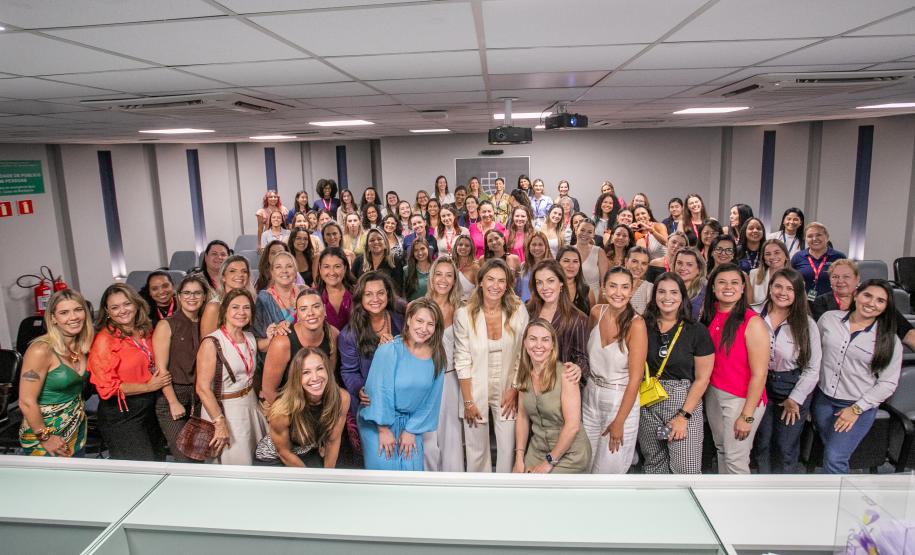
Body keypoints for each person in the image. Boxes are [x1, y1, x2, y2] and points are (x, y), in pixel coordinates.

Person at [813, 279, 902, 474]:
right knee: (832, 451)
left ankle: (837, 503)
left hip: (857, 405)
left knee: (835, 458)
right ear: (856, 295)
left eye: (880, 300)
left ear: (886, 307)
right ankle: (844, 489)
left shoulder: (889, 339)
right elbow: (814, 356)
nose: (871, 303)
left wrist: (855, 409)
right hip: (823, 401)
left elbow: (887, 383)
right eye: (867, 295)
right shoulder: (829, 319)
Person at [454, 259, 529, 472]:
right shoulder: (464, 313)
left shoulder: (518, 309)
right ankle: (478, 497)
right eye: (490, 280)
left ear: (507, 285)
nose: (495, 286)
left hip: (508, 385)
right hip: (474, 386)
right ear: (480, 282)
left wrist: (515, 389)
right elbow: (462, 359)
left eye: (501, 281)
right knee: (476, 450)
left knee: (507, 448)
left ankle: (504, 495)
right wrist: (468, 401)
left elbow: (524, 354)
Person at [638, 273, 714, 474]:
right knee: (654, 465)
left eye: (673, 292)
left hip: (683, 403)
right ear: (654, 296)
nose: (667, 297)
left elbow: (702, 379)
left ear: (682, 297)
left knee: (685, 469)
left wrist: (683, 416)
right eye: (661, 292)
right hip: (649, 402)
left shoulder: (697, 331)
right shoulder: (643, 326)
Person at [359, 298, 446, 471]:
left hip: (412, 424)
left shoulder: (438, 359)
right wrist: (383, 430)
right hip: (379, 422)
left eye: (430, 324)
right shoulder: (389, 350)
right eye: (419, 321)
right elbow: (378, 392)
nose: (423, 328)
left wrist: (411, 431)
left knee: (411, 471)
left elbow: (431, 401)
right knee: (385, 470)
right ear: (408, 320)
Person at [700, 263, 769, 475]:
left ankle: (741, 507)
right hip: (714, 393)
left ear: (742, 288)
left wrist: (747, 416)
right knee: (722, 451)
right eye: (722, 282)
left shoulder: (753, 322)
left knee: (736, 459)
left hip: (741, 399)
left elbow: (760, 374)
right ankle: (724, 503)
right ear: (713, 287)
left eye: (734, 283)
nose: (727, 287)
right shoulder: (709, 315)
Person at [753, 268, 822, 474]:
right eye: (778, 286)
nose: (783, 292)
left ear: (798, 293)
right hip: (759, 384)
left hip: (792, 386)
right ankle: (762, 490)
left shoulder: (807, 324)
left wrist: (796, 398)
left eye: (790, 289)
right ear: (770, 287)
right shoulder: (753, 314)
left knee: (785, 447)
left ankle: (783, 495)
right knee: (762, 443)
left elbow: (813, 367)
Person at [90, 283, 168, 461]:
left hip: (148, 408)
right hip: (122, 414)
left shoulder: (145, 330)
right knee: (141, 469)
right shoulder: (104, 340)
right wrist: (148, 386)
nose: (122, 311)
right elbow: (107, 388)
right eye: (115, 307)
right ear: (107, 311)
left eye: (126, 304)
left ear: (136, 304)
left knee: (158, 460)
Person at [584, 267, 647, 473]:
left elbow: (636, 380)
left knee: (609, 470)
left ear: (632, 291)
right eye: (612, 286)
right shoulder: (596, 312)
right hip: (590, 396)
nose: (618, 293)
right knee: (585, 462)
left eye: (624, 287)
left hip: (619, 400)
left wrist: (619, 421)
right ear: (603, 288)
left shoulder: (636, 325)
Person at [196, 289, 269, 465]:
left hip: (250, 405)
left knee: (257, 460)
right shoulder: (212, 342)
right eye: (235, 307)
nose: (241, 312)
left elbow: (267, 346)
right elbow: (202, 388)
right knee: (236, 463)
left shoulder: (250, 337)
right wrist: (219, 423)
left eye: (246, 308)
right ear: (225, 311)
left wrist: (277, 331)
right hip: (225, 409)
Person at [18, 289, 94, 457]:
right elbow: (26, 401)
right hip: (44, 433)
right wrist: (45, 437)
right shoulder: (40, 350)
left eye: (78, 310)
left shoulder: (83, 346)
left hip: (76, 428)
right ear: (53, 318)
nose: (73, 317)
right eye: (64, 312)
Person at [513, 319, 591, 473]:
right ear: (525, 343)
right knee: (520, 484)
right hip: (538, 449)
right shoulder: (524, 375)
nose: (538, 345)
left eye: (545, 340)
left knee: (542, 489)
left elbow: (572, 426)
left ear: (553, 345)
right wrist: (519, 458)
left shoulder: (566, 375)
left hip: (569, 453)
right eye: (533, 339)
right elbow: (522, 416)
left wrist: (549, 462)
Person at [256, 348, 349, 467]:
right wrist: (311, 482)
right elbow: (284, 453)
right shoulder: (281, 410)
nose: (315, 378)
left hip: (306, 451)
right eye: (306, 372)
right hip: (274, 458)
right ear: (296, 377)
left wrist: (327, 478)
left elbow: (333, 440)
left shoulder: (342, 398)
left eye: (320, 369)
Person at [151, 274, 209, 463]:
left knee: (199, 456)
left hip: (198, 396)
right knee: (184, 458)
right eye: (187, 293)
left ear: (204, 296)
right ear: (179, 296)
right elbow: (161, 369)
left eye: (197, 293)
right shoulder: (167, 325)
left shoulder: (205, 324)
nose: (192, 297)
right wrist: (173, 401)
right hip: (173, 396)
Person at [338, 272, 404, 419]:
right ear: (360, 297)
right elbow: (349, 371)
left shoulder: (401, 320)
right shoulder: (349, 334)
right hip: (372, 404)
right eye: (368, 294)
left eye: (380, 293)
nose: (375, 299)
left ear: (388, 294)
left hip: (402, 399)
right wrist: (360, 389)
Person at [810, 259, 915, 352]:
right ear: (830, 280)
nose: (840, 281)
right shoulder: (818, 303)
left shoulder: (873, 302)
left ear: (857, 279)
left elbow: (907, 333)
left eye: (846, 276)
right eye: (835, 277)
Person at [422, 256, 466, 471]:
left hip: (451, 377)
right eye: (439, 274)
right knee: (427, 438)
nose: (443, 279)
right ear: (431, 278)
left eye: (449, 275)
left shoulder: (462, 309)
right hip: (424, 379)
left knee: (451, 436)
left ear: (455, 280)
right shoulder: (419, 307)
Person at [260, 288, 340, 405]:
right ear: (297, 313)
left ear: (324, 309)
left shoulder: (333, 335)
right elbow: (269, 391)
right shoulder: (282, 342)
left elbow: (329, 381)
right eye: (304, 309)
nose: (310, 313)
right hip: (286, 404)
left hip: (318, 402)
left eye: (316, 306)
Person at [526, 259, 590, 381]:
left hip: (560, 389)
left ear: (561, 282)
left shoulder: (577, 318)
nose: (544, 287)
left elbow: (583, 360)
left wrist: (578, 368)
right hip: (529, 383)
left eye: (550, 281)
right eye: (539, 282)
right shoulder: (529, 311)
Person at [253, 251, 299, 346]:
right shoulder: (263, 299)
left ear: (295, 271)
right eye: (278, 267)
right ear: (272, 273)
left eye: (289, 266)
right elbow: (257, 342)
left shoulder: (304, 292)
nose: (284, 271)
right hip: (276, 354)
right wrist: (274, 334)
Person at [791, 222, 846, 301]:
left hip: (831, 303)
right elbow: (791, 280)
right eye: (810, 236)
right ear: (805, 239)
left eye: (818, 235)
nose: (814, 239)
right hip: (803, 302)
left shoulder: (839, 257)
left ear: (827, 237)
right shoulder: (798, 257)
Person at [200, 255, 251, 337]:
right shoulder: (214, 306)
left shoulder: (251, 302)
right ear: (223, 277)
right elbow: (206, 343)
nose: (240, 274)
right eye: (232, 271)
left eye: (244, 271)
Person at [352, 227, 404, 295]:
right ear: (368, 246)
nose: (376, 242)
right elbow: (352, 283)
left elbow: (398, 287)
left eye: (379, 239)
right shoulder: (358, 260)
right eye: (372, 240)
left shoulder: (395, 260)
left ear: (385, 243)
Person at [316, 247, 356, 331]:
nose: (332, 272)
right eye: (326, 267)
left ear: (345, 268)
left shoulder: (357, 293)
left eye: (337, 266)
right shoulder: (312, 296)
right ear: (320, 269)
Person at [574, 218, 610, 304]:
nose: (585, 234)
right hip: (572, 297)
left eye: (589, 232)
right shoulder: (568, 251)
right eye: (582, 230)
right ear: (576, 230)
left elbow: (604, 282)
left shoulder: (599, 252)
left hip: (595, 298)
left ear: (594, 234)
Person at [747, 239, 789, 311]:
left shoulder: (796, 277)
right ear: (763, 258)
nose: (772, 257)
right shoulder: (754, 274)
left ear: (786, 255)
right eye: (768, 254)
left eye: (777, 252)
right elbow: (749, 305)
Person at [557, 245, 595, 315]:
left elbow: (591, 322)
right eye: (566, 261)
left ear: (579, 265)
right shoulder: (550, 288)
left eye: (575, 261)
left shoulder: (587, 291)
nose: (571, 265)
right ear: (558, 263)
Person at [515, 232, 552, 303]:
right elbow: (518, 291)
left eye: (540, 244)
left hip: (545, 308)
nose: (537, 248)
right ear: (529, 247)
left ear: (546, 246)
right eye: (534, 244)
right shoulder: (523, 266)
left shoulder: (552, 267)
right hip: (526, 308)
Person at [675, 247, 707, 320]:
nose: (683, 268)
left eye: (689, 264)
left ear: (699, 269)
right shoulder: (666, 285)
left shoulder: (706, 291)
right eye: (679, 263)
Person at [625, 246, 653, 315]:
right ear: (626, 261)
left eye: (644, 263)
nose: (638, 267)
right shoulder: (612, 284)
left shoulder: (650, 288)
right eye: (634, 261)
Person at [453, 235, 479, 300]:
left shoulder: (475, 268)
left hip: (468, 307)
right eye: (460, 244)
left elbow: (480, 291)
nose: (463, 247)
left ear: (471, 248)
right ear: (456, 246)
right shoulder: (450, 265)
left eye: (467, 246)